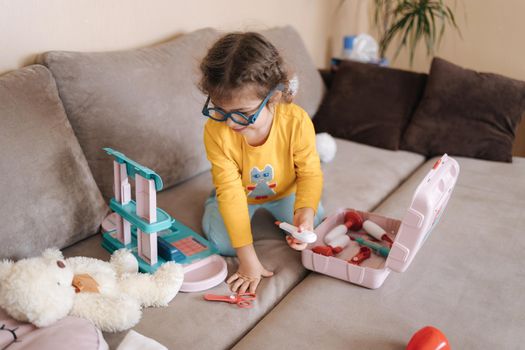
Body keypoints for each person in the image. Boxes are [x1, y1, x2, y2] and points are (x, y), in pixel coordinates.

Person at [199, 32, 324, 294]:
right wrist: (247, 260)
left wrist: (305, 213)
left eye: (243, 114)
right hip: (239, 196)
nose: (231, 123)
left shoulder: (296, 121)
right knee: (222, 243)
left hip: (285, 191)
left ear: (274, 97)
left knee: (317, 226)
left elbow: (310, 173)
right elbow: (232, 193)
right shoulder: (215, 131)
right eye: (220, 110)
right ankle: (213, 200)